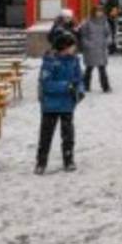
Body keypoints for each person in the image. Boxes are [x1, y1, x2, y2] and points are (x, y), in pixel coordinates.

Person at [35, 31, 84, 175]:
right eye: (72, 46)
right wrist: (67, 86)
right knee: (46, 135)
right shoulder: (49, 61)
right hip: (50, 105)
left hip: (67, 104)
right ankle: (41, 162)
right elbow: (46, 84)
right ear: (64, 47)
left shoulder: (74, 60)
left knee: (68, 135)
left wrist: (80, 90)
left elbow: (79, 78)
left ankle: (69, 160)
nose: (74, 48)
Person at [77, 5, 113, 93]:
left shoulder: (105, 22)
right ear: (93, 12)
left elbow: (108, 34)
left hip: (101, 49)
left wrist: (108, 41)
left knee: (102, 69)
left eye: (101, 11)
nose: (99, 13)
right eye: (97, 11)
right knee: (89, 68)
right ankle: (86, 85)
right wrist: (88, 44)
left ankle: (105, 87)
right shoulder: (87, 22)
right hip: (91, 50)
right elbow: (83, 36)